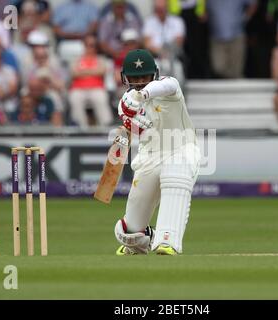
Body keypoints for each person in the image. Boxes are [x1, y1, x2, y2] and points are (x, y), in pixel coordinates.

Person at [114, 49, 201, 255]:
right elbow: (136, 129)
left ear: (154, 74)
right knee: (132, 230)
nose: (139, 82)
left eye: (144, 77)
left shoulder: (170, 87)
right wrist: (130, 118)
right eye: (134, 79)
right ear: (125, 79)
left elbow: (163, 86)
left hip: (181, 149)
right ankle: (143, 240)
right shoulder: (125, 103)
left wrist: (142, 95)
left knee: (175, 177)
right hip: (150, 157)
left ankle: (167, 240)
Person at [69, 33, 112, 127]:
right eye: (87, 45)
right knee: (75, 98)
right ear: (84, 46)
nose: (90, 48)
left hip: (96, 88)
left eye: (92, 45)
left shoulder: (101, 59)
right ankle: (81, 128)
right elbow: (74, 73)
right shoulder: (77, 59)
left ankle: (105, 127)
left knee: (101, 98)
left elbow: (102, 71)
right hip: (78, 89)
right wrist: (93, 71)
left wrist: (83, 72)